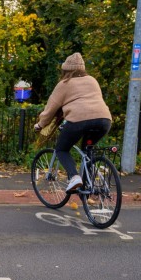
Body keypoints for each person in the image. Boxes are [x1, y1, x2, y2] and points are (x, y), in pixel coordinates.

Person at [33, 52, 112, 193]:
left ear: (66, 70)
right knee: (88, 149)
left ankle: (74, 177)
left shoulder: (64, 84)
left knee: (61, 149)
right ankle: (88, 185)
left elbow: (50, 109)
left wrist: (40, 124)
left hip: (78, 121)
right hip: (104, 120)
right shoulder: (92, 80)